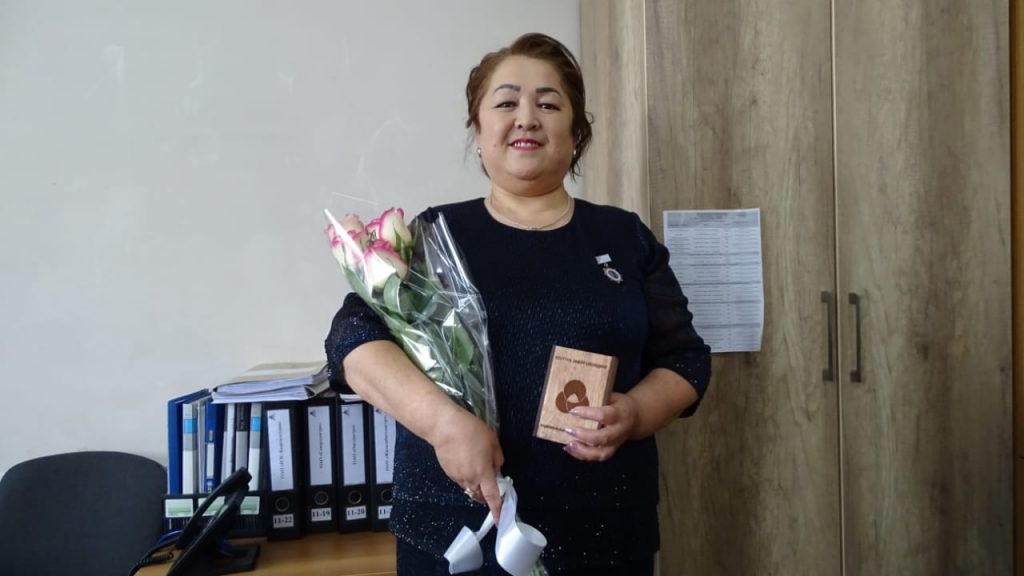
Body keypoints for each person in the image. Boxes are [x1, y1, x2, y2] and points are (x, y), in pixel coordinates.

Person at [325, 32, 711, 576]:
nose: (526, 118)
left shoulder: (623, 236)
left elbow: (686, 360)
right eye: (506, 103)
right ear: (477, 129)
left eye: (548, 105)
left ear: (576, 132)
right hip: (456, 528)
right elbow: (351, 341)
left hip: (602, 531)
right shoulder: (435, 236)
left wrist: (635, 413)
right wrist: (443, 425)